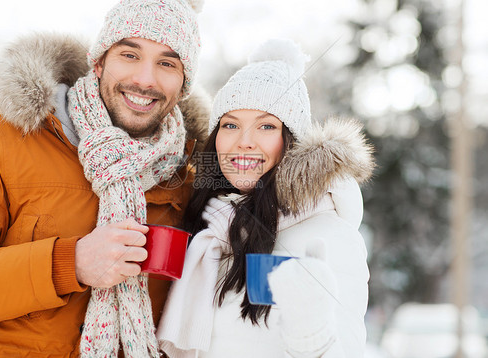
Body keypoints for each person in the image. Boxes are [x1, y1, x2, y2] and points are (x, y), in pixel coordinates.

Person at [0, 0, 210, 357]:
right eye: (129, 54)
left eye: (167, 63)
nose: (145, 79)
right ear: (99, 62)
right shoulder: (3, 140)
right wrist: (69, 263)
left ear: (183, 84)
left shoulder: (186, 176)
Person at [157, 38, 375, 357]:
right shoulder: (207, 230)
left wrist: (312, 332)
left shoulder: (330, 235)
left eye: (266, 126)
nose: (244, 142)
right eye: (230, 125)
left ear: (291, 142)